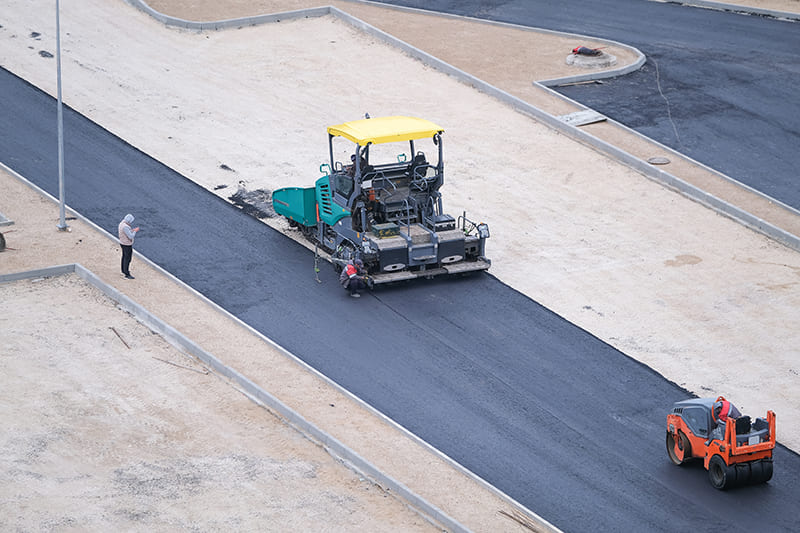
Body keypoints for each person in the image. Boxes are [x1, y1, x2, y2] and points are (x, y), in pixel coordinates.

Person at [118, 213, 140, 279]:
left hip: (122, 243)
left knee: (124, 257)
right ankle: (126, 273)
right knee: (127, 258)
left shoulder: (122, 224)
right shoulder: (125, 227)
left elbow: (127, 232)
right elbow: (130, 236)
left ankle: (123, 270)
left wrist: (131, 230)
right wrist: (135, 231)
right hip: (126, 244)